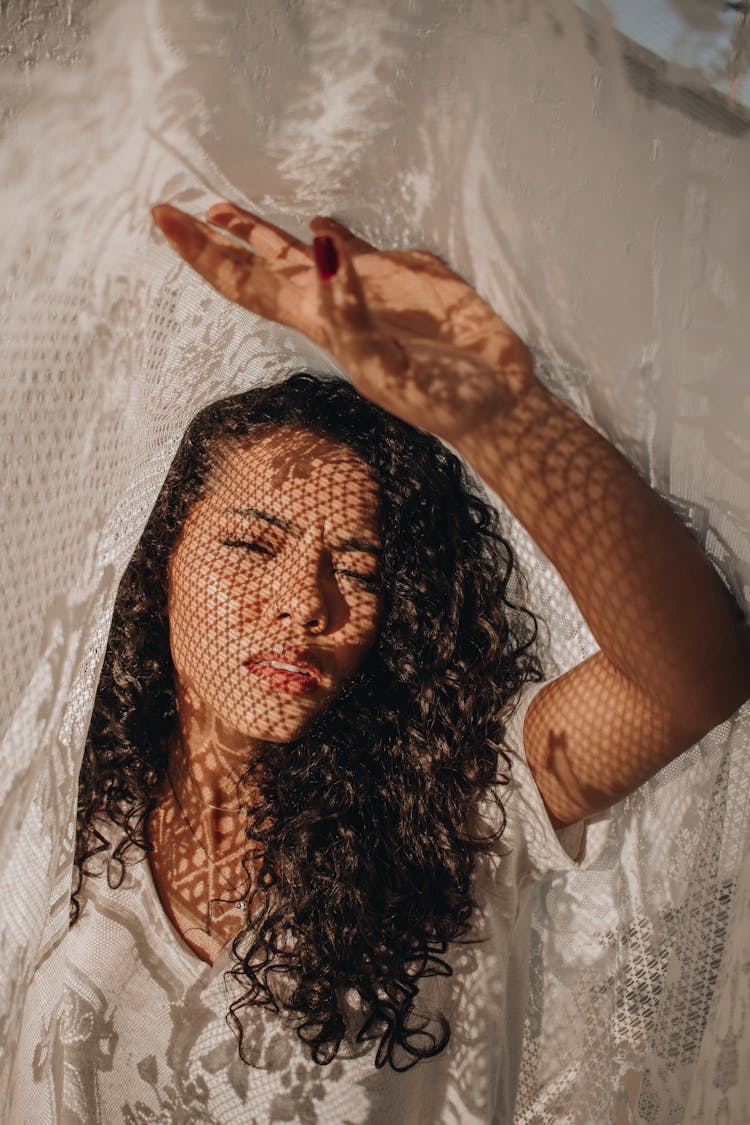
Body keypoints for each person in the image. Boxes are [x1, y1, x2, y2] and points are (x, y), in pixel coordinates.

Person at [66, 201, 750, 1125]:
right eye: (251, 546)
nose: (308, 601)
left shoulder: (454, 809)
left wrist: (498, 412)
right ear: (159, 570)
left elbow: (690, 675)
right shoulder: (73, 800)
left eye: (356, 568)